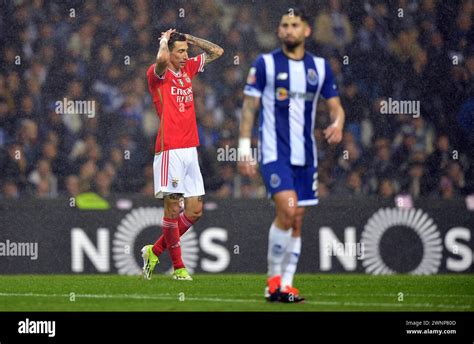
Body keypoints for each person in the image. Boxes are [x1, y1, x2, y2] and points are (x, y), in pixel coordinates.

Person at [238, 9, 345, 302]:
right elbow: (249, 107)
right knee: (287, 207)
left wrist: (338, 123)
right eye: (284, 25)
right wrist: (244, 147)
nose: (289, 30)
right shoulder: (265, 64)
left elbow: (336, 106)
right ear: (279, 31)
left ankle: (286, 284)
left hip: (306, 156)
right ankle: (272, 283)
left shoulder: (320, 67)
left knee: (297, 219)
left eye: (294, 25)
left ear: (306, 31)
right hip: (275, 152)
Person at [142, 29, 223, 281]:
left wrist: (191, 39)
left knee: (195, 210)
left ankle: (153, 251)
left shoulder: (187, 70)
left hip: (190, 149)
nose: (186, 56)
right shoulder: (158, 75)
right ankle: (178, 268)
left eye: (186, 51)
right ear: (169, 52)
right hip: (170, 150)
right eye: (181, 52)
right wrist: (165, 42)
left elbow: (217, 52)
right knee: (173, 209)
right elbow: (161, 61)